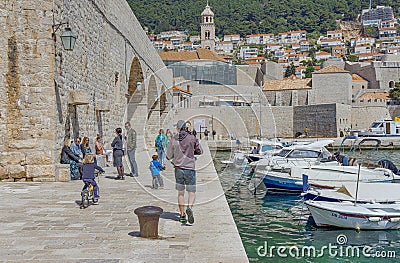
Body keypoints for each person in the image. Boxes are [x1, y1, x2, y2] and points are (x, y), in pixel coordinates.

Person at [167, 120, 202, 224]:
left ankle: (182, 215)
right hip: (190, 168)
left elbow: (169, 156)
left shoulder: (173, 139)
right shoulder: (192, 138)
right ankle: (189, 208)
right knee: (191, 192)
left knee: (180, 193)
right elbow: (199, 150)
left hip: (178, 169)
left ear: (178, 128)